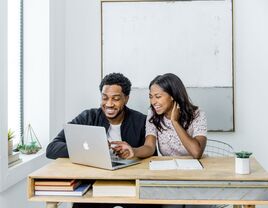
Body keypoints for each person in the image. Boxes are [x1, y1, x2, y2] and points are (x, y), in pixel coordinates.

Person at [46, 72, 159, 208]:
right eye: (104, 98)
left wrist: (134, 152)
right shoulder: (87, 117)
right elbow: (52, 148)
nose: (109, 104)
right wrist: (93, 148)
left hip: (130, 184)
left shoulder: (141, 121)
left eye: (115, 99)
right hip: (94, 183)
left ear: (126, 98)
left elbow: (151, 154)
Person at [111, 73, 207, 160]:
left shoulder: (197, 115)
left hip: (194, 169)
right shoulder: (153, 114)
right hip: (169, 169)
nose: (153, 102)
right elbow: (149, 147)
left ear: (172, 96)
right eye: (151, 97)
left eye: (158, 96)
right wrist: (133, 151)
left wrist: (175, 122)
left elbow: (196, 153)